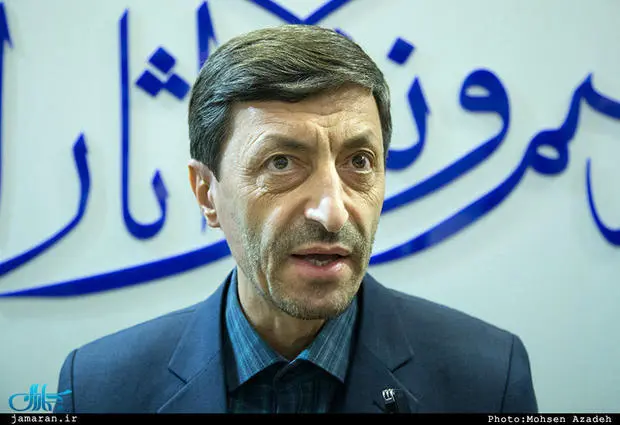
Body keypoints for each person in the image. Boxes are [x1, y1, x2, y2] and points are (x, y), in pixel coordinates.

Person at [54, 24, 538, 414]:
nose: (332, 211)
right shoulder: (97, 388)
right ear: (206, 193)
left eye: (359, 162)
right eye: (281, 163)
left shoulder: (489, 377)